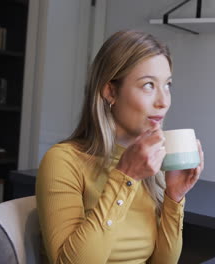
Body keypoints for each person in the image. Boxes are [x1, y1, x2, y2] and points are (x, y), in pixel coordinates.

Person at [36, 29, 204, 264]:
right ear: (110, 91)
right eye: (148, 85)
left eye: (167, 85)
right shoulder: (63, 161)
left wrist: (174, 198)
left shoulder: (151, 169)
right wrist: (125, 177)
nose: (163, 102)